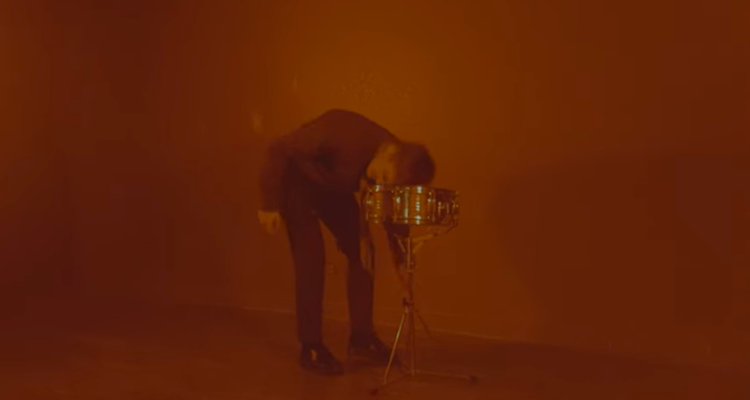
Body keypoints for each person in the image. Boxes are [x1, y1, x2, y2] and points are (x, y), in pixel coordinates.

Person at [257, 109, 436, 376]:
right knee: (312, 258)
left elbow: (392, 216)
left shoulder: (397, 165)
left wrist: (402, 262)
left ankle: (362, 339)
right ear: (387, 153)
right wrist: (269, 204)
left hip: (332, 186)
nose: (378, 184)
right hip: (297, 181)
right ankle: (311, 346)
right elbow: (279, 148)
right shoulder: (345, 133)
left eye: (387, 185)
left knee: (364, 253)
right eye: (382, 178)